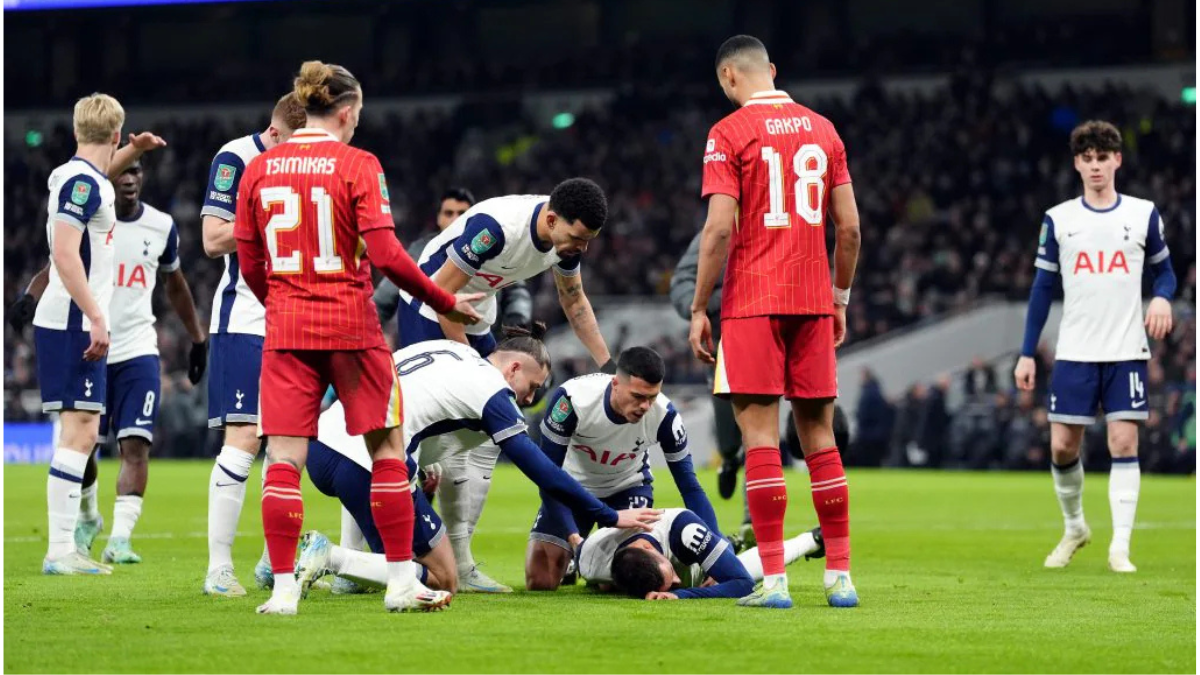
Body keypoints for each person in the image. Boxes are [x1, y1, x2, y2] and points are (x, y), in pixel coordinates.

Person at [234, 60, 485, 615]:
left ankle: (282, 591)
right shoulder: (358, 164)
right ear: (346, 112)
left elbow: (251, 263)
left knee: (282, 460)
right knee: (387, 450)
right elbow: (390, 255)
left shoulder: (260, 169)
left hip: (287, 329)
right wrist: (445, 300)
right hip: (352, 324)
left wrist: (282, 300)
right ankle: (400, 583)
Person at [288, 329, 662, 596]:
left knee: (394, 554)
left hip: (324, 442)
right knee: (441, 578)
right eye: (531, 387)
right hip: (367, 462)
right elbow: (537, 465)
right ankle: (331, 557)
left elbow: (406, 402)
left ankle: (293, 566)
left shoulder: (450, 351)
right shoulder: (491, 389)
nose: (529, 399)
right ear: (514, 368)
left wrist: (415, 465)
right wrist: (608, 515)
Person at [687, 35, 862, 609]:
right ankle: (839, 577)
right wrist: (838, 298)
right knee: (820, 440)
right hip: (812, 299)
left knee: (759, 440)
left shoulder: (728, 133)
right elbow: (851, 229)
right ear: (772, 70)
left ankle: (776, 583)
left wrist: (697, 306)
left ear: (729, 78)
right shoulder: (824, 128)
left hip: (752, 302)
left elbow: (716, 230)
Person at [395, 184, 616, 593]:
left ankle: (460, 563)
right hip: (429, 308)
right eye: (578, 238)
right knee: (421, 438)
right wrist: (472, 375)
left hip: (477, 314)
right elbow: (443, 295)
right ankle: (389, 552)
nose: (581, 249)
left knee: (485, 440)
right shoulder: (496, 228)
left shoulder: (562, 242)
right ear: (552, 220)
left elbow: (575, 301)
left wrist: (609, 366)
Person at [1015, 120, 1176, 574]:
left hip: (1126, 348)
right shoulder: (1059, 219)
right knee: (1063, 446)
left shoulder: (1143, 214)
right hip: (1075, 351)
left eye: (1102, 158)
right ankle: (1075, 528)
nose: (1095, 166)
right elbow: (1042, 290)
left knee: (1123, 440)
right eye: (1087, 159)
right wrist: (1027, 351)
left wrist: (1162, 295)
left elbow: (1165, 272)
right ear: (1076, 165)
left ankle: (1120, 548)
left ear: (1117, 160)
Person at [34, 93, 165, 575]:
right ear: (114, 134)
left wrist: (134, 151)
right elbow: (66, 255)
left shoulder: (81, 178)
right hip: (72, 318)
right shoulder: (85, 185)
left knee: (82, 432)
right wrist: (95, 315)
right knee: (80, 433)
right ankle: (60, 549)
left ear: (75, 132)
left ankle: (64, 545)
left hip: (69, 318)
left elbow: (98, 179)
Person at [200, 92, 307, 597]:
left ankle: (271, 561)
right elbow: (212, 237)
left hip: (296, 322)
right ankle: (218, 568)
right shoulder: (236, 158)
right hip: (244, 318)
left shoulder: (309, 164)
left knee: (290, 443)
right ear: (277, 132)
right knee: (243, 440)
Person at [77, 161, 205, 565]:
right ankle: (88, 516)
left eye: (137, 171)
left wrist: (198, 338)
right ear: (109, 175)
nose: (130, 178)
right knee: (82, 449)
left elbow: (176, 285)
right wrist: (31, 297)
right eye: (123, 171)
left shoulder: (161, 226)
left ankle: (120, 539)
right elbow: (59, 263)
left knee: (135, 445)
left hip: (137, 350)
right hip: (91, 349)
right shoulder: (88, 223)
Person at [525, 346, 719, 591]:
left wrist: (714, 553)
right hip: (573, 490)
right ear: (615, 383)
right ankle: (575, 564)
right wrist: (575, 539)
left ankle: (599, 572)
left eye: (652, 397)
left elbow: (690, 487)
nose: (645, 406)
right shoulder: (572, 400)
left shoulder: (665, 416)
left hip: (628, 489)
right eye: (638, 396)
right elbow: (548, 476)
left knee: (625, 579)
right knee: (540, 581)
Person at [575, 508, 823, 601]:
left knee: (737, 570)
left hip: (692, 552)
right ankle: (729, 545)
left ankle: (811, 540)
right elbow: (577, 545)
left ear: (649, 549)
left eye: (669, 575)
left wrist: (681, 595)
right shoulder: (591, 562)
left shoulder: (682, 529)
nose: (677, 582)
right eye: (671, 585)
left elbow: (743, 585)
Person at [671, 231, 743, 499]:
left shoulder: (778, 224)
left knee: (759, 433)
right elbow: (681, 282)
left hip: (765, 338)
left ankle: (753, 519)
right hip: (723, 345)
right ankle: (729, 457)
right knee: (729, 433)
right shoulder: (716, 230)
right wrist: (704, 307)